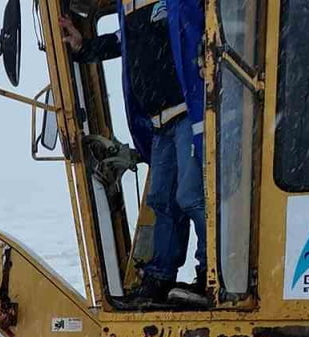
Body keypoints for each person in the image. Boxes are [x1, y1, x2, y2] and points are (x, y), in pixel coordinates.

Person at [60, 0, 206, 305]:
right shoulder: (129, 7)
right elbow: (124, 42)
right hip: (160, 122)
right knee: (162, 200)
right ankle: (159, 278)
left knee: (192, 196)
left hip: (189, 113)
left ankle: (213, 276)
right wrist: (83, 46)